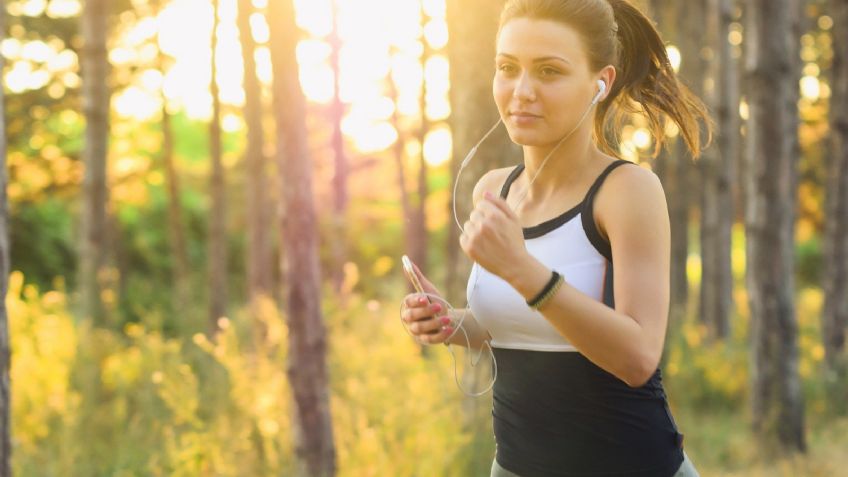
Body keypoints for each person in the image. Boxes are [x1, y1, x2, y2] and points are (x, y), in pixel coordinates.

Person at [400, 0, 710, 475]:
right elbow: (519, 327)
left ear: (599, 83)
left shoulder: (627, 191)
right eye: (508, 68)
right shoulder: (493, 189)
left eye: (549, 71)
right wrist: (452, 324)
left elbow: (638, 357)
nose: (522, 91)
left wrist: (523, 272)